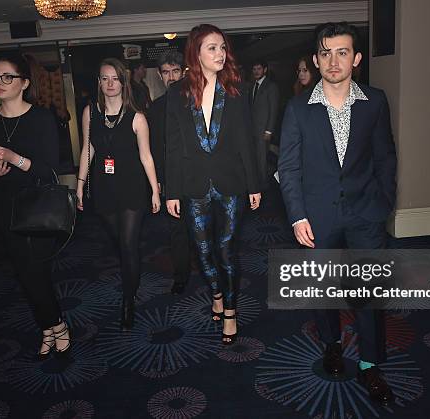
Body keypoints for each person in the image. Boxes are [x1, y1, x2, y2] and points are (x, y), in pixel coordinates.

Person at [278, 22, 397, 404]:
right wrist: (297, 216)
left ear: (356, 58)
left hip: (366, 214)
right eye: (326, 52)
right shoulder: (297, 108)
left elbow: (385, 158)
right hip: (317, 217)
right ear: (316, 59)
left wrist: (384, 203)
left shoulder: (375, 101)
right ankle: (331, 343)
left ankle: (369, 366)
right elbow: (290, 167)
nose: (333, 60)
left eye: (342, 52)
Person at [165, 24, 261, 345]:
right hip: (193, 185)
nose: (220, 53)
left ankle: (231, 312)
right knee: (204, 252)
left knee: (226, 250)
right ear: (196, 53)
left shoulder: (237, 90)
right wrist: (172, 192)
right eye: (212, 48)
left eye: (223, 47)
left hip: (231, 182)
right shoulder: (176, 93)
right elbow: (173, 146)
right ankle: (217, 292)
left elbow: (246, 142)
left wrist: (253, 185)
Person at [0, 54, 70, 360]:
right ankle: (50, 328)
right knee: (24, 272)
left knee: (36, 271)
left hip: (39, 205)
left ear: (24, 83)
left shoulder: (41, 118)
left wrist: (15, 158)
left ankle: (54, 326)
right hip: (7, 205)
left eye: (7, 77)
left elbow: (50, 169)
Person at [76, 58, 160, 330]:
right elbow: (88, 150)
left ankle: (128, 300)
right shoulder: (90, 113)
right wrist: (79, 184)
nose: (109, 84)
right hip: (103, 187)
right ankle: (131, 277)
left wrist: (155, 191)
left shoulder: (137, 118)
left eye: (114, 78)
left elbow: (147, 157)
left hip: (132, 187)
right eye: (104, 78)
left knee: (127, 245)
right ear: (99, 83)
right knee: (118, 242)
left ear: (123, 83)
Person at [148, 50, 192, 295]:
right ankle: (181, 276)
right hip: (171, 179)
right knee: (177, 230)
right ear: (159, 75)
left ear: (184, 72)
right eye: (166, 72)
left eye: (176, 71)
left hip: (197, 177)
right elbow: (154, 148)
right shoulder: (155, 109)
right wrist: (159, 183)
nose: (171, 77)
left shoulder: (196, 101)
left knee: (205, 228)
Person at [249, 60, 279, 191]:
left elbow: (274, 110)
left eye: (259, 69)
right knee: (255, 158)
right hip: (253, 130)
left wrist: (269, 130)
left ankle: (263, 187)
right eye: (254, 69)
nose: (256, 71)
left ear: (265, 70)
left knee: (262, 159)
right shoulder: (252, 86)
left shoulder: (270, 86)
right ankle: (258, 183)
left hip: (263, 130)